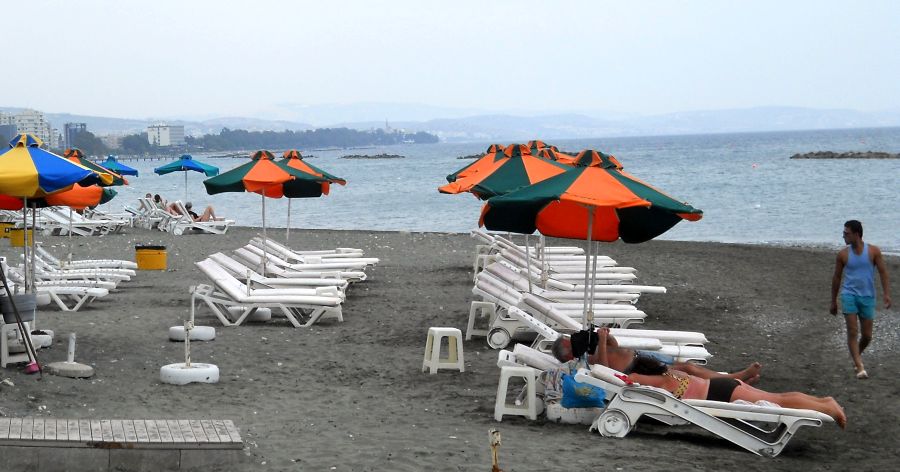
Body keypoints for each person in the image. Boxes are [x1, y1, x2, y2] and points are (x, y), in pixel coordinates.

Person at [625, 370, 847, 428]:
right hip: (721, 387)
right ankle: (823, 402)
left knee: (780, 400)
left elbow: (632, 377)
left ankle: (828, 406)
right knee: (779, 397)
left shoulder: (664, 381)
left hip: (720, 393)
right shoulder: (671, 374)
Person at [551, 327, 762, 383]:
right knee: (689, 371)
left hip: (639, 357)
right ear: (568, 354)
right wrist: (603, 346)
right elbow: (606, 371)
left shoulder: (586, 349)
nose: (574, 340)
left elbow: (614, 347)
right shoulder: (581, 364)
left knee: (688, 366)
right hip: (636, 368)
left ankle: (734, 380)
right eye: (570, 342)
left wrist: (607, 338)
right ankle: (737, 378)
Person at [830, 219, 892, 379]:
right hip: (849, 295)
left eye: (847, 233)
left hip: (867, 297)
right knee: (852, 331)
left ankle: (856, 354)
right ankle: (859, 366)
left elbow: (883, 272)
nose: (843, 236)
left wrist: (886, 294)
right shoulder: (843, 254)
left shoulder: (873, 252)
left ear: (857, 234)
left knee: (867, 336)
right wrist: (833, 300)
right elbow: (836, 278)